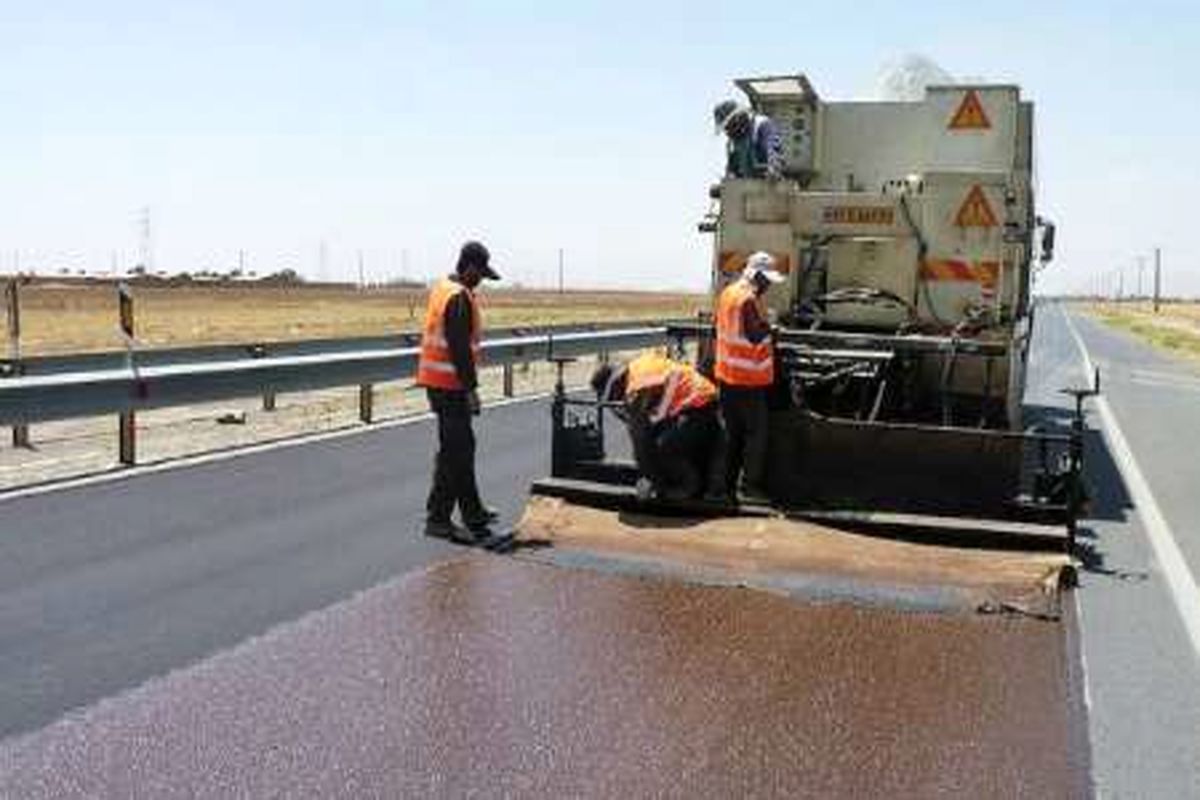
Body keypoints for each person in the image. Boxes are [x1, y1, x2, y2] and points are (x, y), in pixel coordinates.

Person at [417, 240, 502, 545]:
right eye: (480, 273)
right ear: (468, 267)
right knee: (458, 451)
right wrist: (471, 391)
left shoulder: (444, 288)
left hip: (439, 384)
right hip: (450, 386)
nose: (481, 280)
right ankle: (439, 519)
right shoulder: (458, 299)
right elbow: (459, 350)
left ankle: (472, 512)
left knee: (457, 449)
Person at [591, 352, 724, 502]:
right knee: (663, 438)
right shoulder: (639, 367)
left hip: (698, 406)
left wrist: (651, 479)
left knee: (664, 446)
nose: (618, 399)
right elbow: (656, 415)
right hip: (703, 401)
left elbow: (641, 437)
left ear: (616, 384)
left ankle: (687, 488)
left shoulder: (637, 384)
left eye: (614, 396)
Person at [714, 252, 784, 503]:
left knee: (730, 435)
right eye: (767, 280)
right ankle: (750, 488)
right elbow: (754, 336)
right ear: (756, 275)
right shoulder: (748, 300)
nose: (768, 286)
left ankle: (723, 487)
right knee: (756, 435)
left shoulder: (728, 294)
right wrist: (772, 328)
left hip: (727, 377)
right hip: (748, 381)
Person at [712, 100, 784, 180]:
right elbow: (733, 167)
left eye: (728, 127)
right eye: (726, 129)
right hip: (748, 187)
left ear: (737, 118)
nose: (728, 132)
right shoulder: (736, 141)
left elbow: (773, 149)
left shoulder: (762, 125)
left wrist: (774, 167)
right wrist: (730, 176)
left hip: (768, 184)